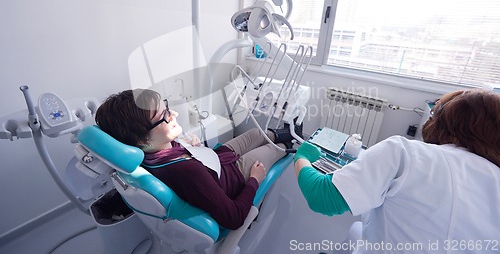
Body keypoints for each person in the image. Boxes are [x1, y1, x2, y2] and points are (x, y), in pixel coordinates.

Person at [294, 89, 500, 253]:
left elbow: (321, 196)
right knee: (356, 232)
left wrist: (301, 157)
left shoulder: (405, 152)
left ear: (442, 121)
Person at [95, 88, 295, 230]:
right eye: (164, 116)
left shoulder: (151, 153)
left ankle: (291, 133)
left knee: (256, 134)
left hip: (214, 161)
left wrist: (189, 146)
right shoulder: (186, 172)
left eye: (166, 106)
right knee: (273, 148)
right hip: (232, 177)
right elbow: (234, 218)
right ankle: (293, 145)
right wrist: (254, 180)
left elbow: (183, 161)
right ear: (141, 138)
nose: (174, 113)